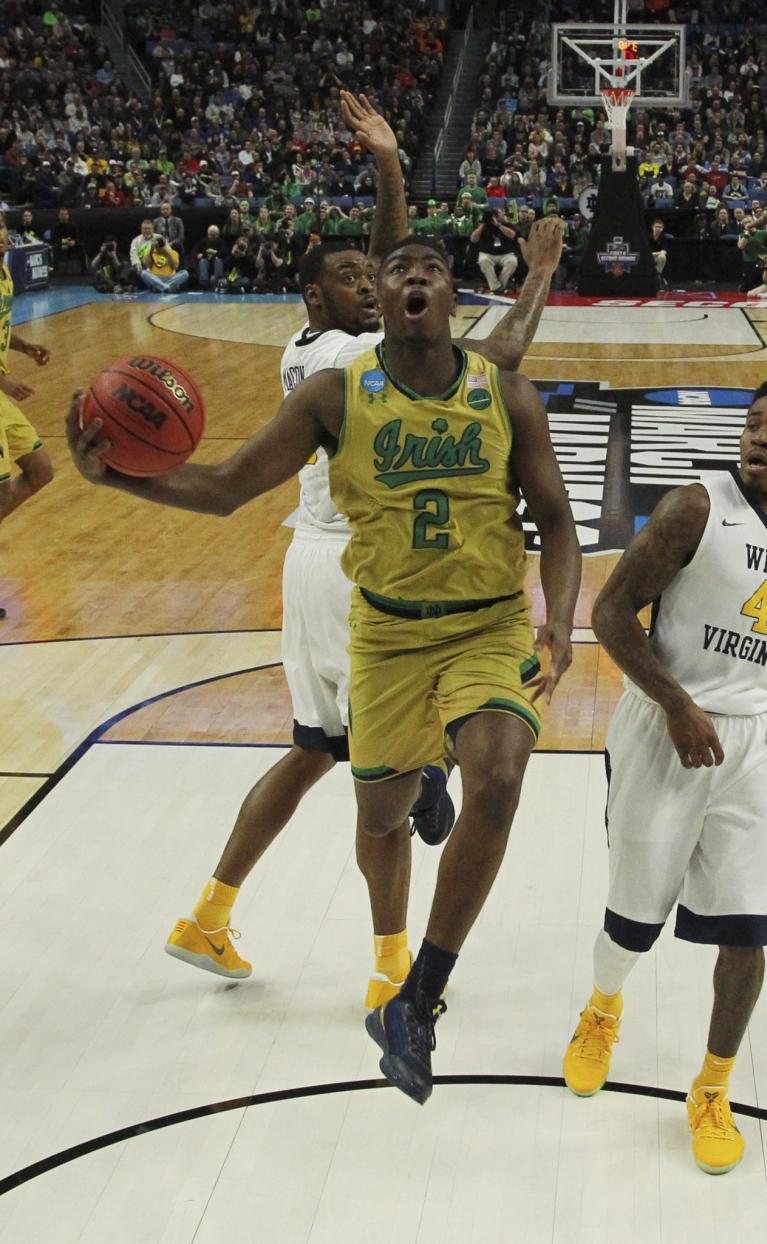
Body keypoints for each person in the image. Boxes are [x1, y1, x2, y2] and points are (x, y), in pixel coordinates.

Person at [68, 232, 581, 1107]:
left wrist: (560, 621)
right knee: (378, 813)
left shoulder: (509, 395)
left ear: (455, 298)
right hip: (381, 636)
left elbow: (559, 522)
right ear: (377, 299)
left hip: (485, 626)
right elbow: (227, 485)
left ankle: (417, 995)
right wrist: (117, 481)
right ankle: (421, 775)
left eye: (432, 270)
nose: (415, 277)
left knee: (499, 775)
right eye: (398, 269)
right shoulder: (335, 394)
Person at [160, 96, 563, 1011]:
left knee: (314, 752)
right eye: (359, 275)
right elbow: (476, 329)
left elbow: (416, 284)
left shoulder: (317, 350)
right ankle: (392, 963)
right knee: (386, 754)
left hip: (315, 560)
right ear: (334, 296)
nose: (380, 279)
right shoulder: (356, 359)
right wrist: (389, 168)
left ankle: (211, 912)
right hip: (367, 575)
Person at [562, 375, 767, 1174]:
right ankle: (602, 1011)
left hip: (748, 748)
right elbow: (610, 614)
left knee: (749, 929)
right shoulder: (694, 508)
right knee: (632, 920)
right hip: (661, 731)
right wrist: (679, 705)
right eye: (752, 425)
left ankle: (712, 1087)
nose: (758, 438)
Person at [0, 214, 55, 617]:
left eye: (3, 226)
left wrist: (25, 346)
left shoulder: (5, 273)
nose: (3, 233)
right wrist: (5, 383)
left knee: (40, 471)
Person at [471, 208, 519, 293]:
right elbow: (473, 239)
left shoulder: (507, 224)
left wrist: (498, 225)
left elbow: (512, 235)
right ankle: (496, 287)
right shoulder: (483, 226)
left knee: (512, 262)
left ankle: (499, 285)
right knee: (483, 261)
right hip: (487, 254)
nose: (495, 216)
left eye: (498, 214)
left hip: (505, 254)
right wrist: (483, 224)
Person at [189, 225, 225, 290]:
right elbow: (194, 251)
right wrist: (197, 255)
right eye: (211, 235)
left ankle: (218, 282)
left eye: (214, 235)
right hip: (206, 262)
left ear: (218, 234)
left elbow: (224, 252)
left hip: (216, 262)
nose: (212, 237)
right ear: (208, 234)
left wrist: (215, 255)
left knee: (218, 261)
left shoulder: (221, 242)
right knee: (203, 261)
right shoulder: (203, 241)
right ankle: (203, 283)